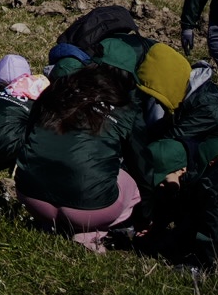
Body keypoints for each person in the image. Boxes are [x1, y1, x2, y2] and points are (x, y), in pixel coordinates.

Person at [14, 62, 150, 255]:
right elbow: (141, 166)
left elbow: (28, 135)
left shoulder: (56, 90)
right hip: (88, 209)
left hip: (32, 196)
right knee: (130, 183)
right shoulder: (126, 109)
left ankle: (49, 223)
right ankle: (89, 235)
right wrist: (147, 215)